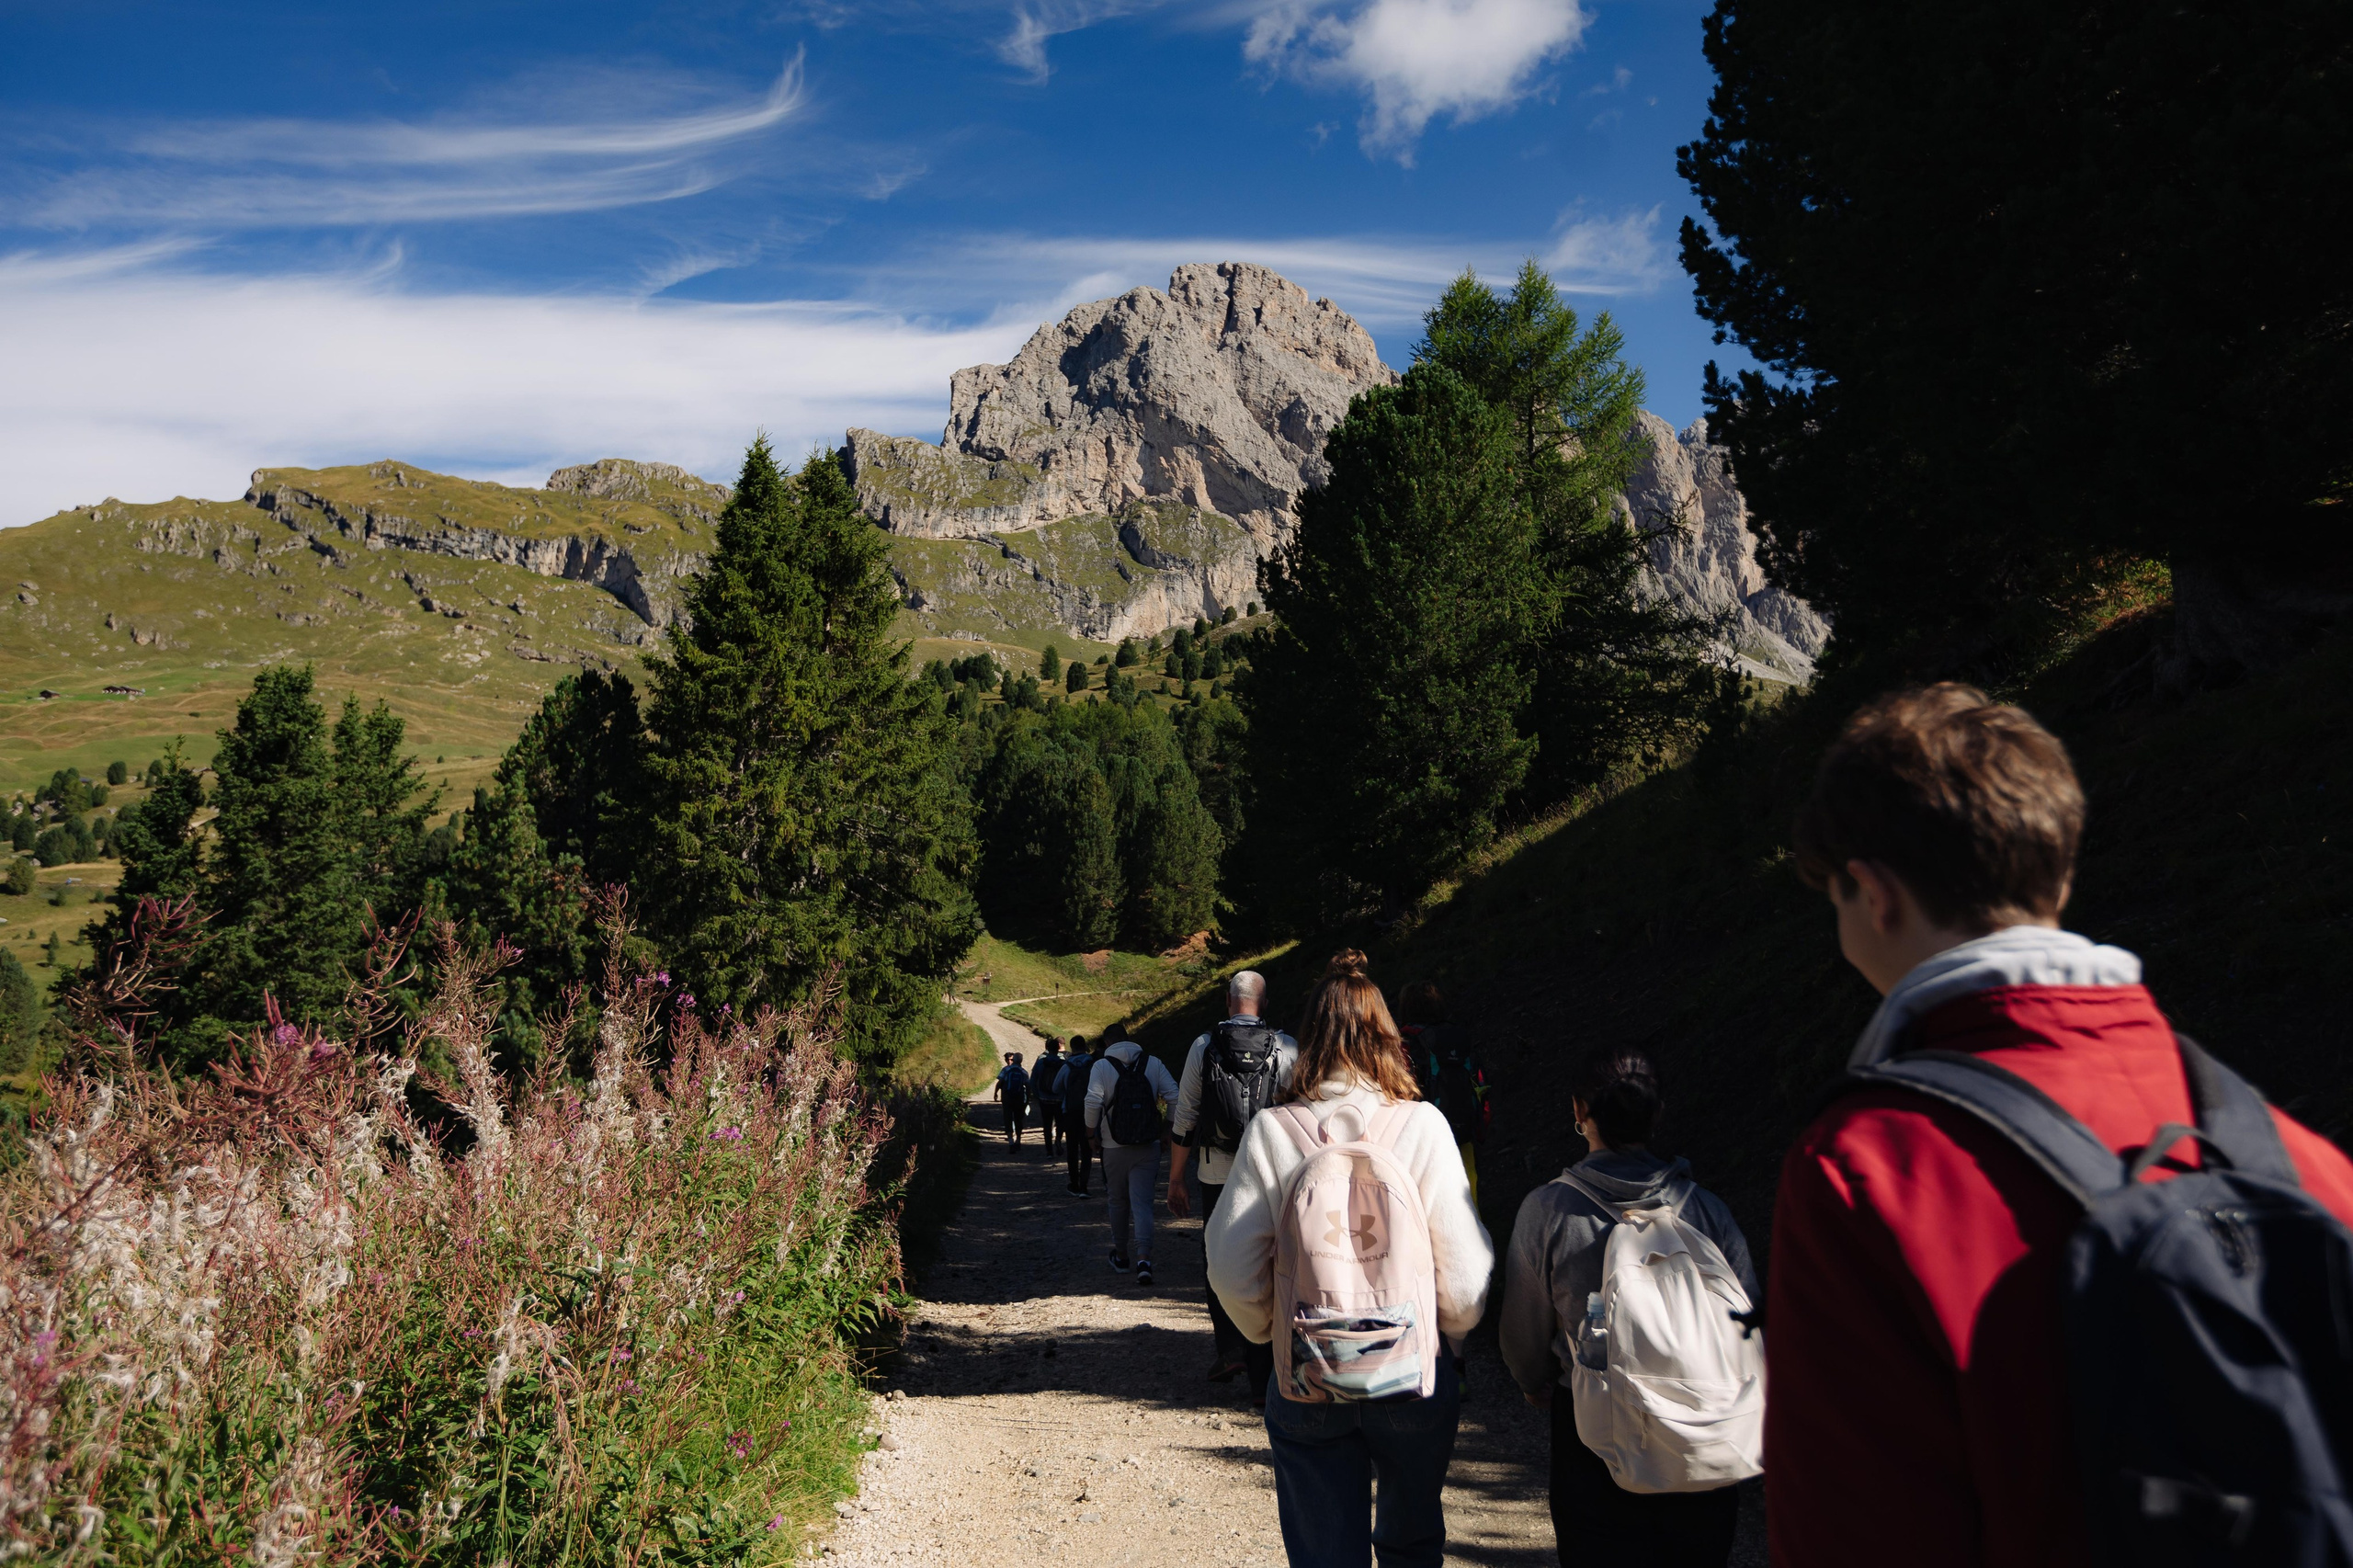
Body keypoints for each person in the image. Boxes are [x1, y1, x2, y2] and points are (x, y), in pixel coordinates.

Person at [1768, 684, 2353, 1567]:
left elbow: (1854, 1530)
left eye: (1837, 895)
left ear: (1872, 892)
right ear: (2062, 872)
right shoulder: (2301, 1162)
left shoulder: (1867, 1171)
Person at [1205, 951, 1493, 1568]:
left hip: (1307, 1374)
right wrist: (1449, 1332)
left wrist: (1269, 1331)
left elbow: (1228, 1264)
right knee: (1412, 1546)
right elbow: (1467, 1280)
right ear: (1389, 1037)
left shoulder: (1274, 1130)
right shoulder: (1423, 1125)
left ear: (1306, 1038)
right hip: (1411, 1374)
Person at [1498, 1047, 1756, 1566]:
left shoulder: (1549, 1210)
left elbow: (1522, 1334)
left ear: (1579, 1111)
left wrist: (1533, 1382)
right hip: (1702, 1435)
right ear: (1657, 1113)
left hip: (1594, 1435)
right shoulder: (1709, 1211)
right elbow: (1751, 1321)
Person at [1167, 970, 1299, 1396]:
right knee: (1269, 1262)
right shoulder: (1285, 1047)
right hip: (1271, 1173)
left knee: (1219, 1259)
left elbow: (1185, 1116)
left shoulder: (1204, 1047)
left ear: (1228, 1001)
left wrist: (1175, 1178)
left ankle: (1230, 1349)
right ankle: (1265, 1370)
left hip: (1216, 1172)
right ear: (1264, 1003)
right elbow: (1300, 1116)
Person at [1085, 1027, 1179, 1286]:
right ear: (1129, 1037)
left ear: (1106, 1042)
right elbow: (1175, 1096)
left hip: (1112, 1145)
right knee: (1143, 1204)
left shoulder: (1101, 1066)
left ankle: (1122, 1256)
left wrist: (1091, 1135)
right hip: (1147, 1144)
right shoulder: (1154, 1063)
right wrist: (1168, 1130)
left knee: (1117, 1202)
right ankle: (1144, 1260)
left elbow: (1092, 1102)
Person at [1395, 983, 1489, 1202]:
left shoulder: (1405, 1044)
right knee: (1467, 1195)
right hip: (1463, 1133)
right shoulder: (1457, 1037)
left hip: (1424, 1139)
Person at [1061, 1034, 1099, 1197]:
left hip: (1070, 1112)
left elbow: (1056, 1086)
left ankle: (1074, 1184)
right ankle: (1084, 1186)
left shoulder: (1067, 1066)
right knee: (1086, 1149)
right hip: (1089, 1111)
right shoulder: (1093, 1065)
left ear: (1072, 1047)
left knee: (1071, 1149)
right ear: (1085, 1046)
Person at [1033, 1038, 1066, 1153]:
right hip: (1059, 1098)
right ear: (1058, 1048)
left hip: (1044, 1098)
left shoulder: (1041, 1062)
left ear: (1047, 1048)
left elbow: (1033, 1079)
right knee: (1060, 1122)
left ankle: (1049, 1151)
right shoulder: (1063, 1062)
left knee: (1047, 1124)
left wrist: (1036, 1095)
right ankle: (1058, 1139)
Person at [993, 1051, 1029, 1145]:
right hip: (1019, 1098)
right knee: (1018, 1118)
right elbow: (1028, 1087)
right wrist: (1027, 1100)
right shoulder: (1024, 1072)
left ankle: (1010, 1140)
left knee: (1008, 1117)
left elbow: (1000, 1082)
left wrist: (996, 1093)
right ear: (1021, 1061)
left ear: (1013, 1060)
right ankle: (1018, 1139)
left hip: (1007, 1097)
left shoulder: (1006, 1070)